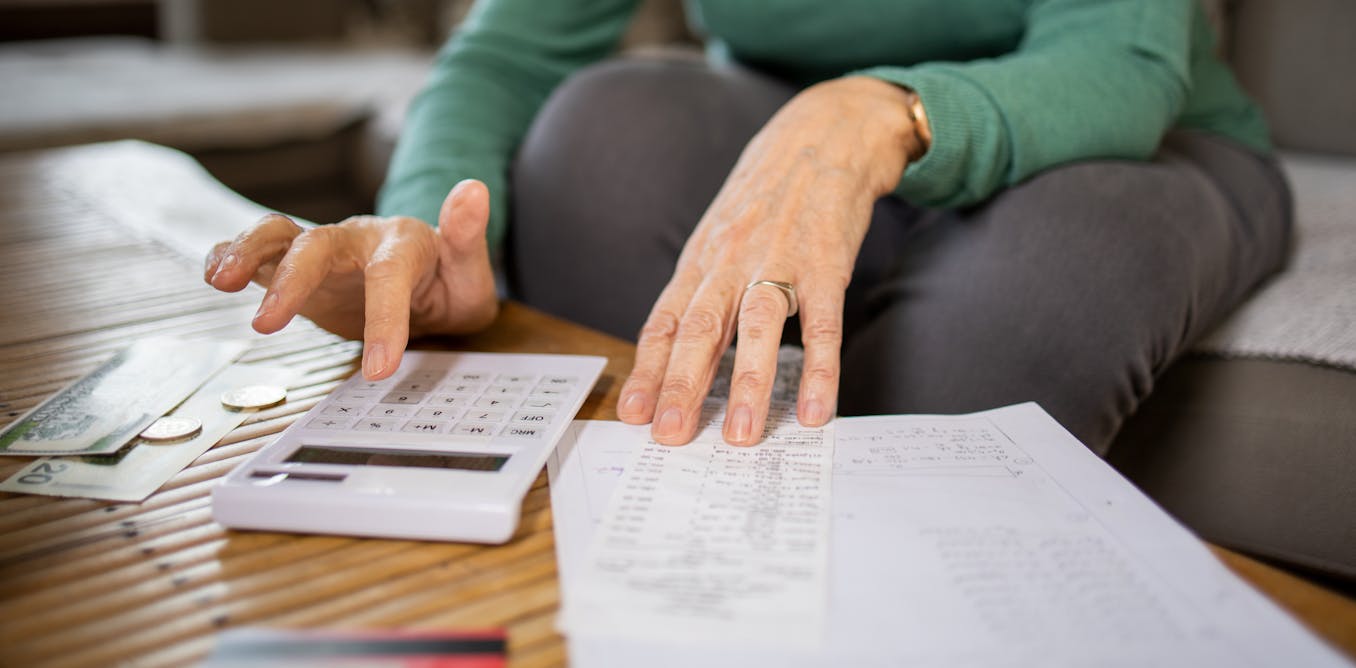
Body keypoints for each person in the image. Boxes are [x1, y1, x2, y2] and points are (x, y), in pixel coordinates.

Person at [203, 0, 1290, 454]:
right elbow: (505, 54)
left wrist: (874, 111)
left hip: (1111, 146)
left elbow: (1121, 65)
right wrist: (427, 227)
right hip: (776, 130)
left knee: (1042, 298)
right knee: (600, 132)